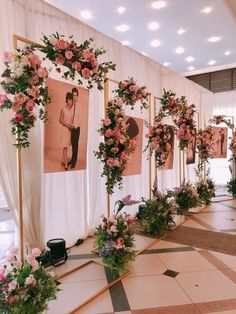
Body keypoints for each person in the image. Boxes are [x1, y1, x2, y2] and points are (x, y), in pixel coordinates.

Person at [59, 92, 74, 171]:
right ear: (66, 100)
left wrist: (72, 125)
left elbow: (74, 119)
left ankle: (63, 160)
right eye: (68, 100)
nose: (70, 101)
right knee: (65, 146)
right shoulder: (63, 109)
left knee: (67, 146)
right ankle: (65, 164)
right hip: (65, 129)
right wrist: (67, 125)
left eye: (71, 100)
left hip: (71, 130)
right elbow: (60, 120)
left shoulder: (73, 109)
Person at [68, 87, 81, 169]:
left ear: (77, 96)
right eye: (73, 95)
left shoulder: (79, 106)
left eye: (76, 95)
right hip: (70, 128)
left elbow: (80, 119)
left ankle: (74, 162)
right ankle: (72, 159)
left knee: (75, 145)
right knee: (72, 144)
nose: (74, 97)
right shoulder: (70, 105)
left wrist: (74, 126)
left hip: (76, 128)